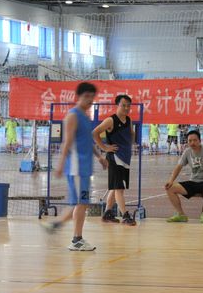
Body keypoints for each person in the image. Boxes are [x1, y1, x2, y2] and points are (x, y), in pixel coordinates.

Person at [45, 83, 105, 251]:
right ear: (78, 97)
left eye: (92, 96)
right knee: (80, 203)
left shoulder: (86, 117)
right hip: (76, 167)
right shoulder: (72, 116)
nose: (89, 100)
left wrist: (99, 156)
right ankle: (75, 239)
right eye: (86, 96)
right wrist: (60, 164)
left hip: (85, 168)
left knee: (81, 203)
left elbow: (87, 141)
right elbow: (67, 142)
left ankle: (57, 226)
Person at [94, 94, 136, 226]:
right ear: (117, 105)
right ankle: (125, 215)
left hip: (125, 158)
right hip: (115, 158)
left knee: (114, 187)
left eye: (128, 106)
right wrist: (104, 148)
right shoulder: (110, 120)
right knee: (119, 188)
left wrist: (130, 143)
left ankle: (107, 213)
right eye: (123, 105)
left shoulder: (128, 120)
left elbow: (131, 133)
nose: (126, 108)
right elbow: (94, 133)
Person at [164, 130, 203, 223]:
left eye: (195, 140)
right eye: (190, 141)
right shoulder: (187, 151)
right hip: (193, 181)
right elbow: (178, 167)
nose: (192, 143)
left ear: (200, 141)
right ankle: (181, 215)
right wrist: (171, 181)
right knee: (170, 188)